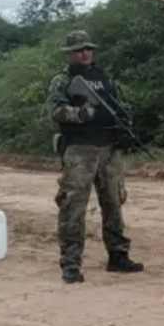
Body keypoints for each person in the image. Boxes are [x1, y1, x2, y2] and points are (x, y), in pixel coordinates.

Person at [47, 30, 144, 283]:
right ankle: (71, 264)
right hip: (80, 149)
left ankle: (118, 256)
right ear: (69, 54)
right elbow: (55, 111)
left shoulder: (105, 77)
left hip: (109, 148)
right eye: (79, 50)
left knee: (114, 203)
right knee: (73, 207)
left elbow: (120, 105)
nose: (85, 53)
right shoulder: (63, 80)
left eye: (88, 49)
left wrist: (124, 126)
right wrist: (82, 114)